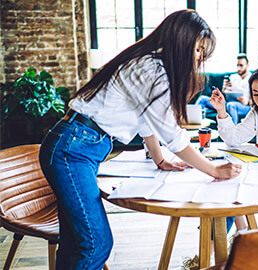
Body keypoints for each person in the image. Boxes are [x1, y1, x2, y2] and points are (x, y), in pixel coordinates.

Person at [38, 10, 242, 269]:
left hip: (77, 145)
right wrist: (213, 168)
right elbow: (171, 134)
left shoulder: (149, 64)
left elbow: (146, 120)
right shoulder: (151, 69)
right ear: (181, 41)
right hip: (73, 149)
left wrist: (159, 159)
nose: (199, 57)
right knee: (96, 243)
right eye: (198, 49)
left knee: (75, 242)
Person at [195, 54, 252, 124]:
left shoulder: (252, 79)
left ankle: (232, 133)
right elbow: (224, 95)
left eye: (241, 65)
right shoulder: (233, 77)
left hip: (244, 106)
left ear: (247, 65)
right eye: (237, 65)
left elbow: (256, 98)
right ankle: (195, 124)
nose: (238, 68)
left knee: (231, 105)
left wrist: (248, 102)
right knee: (202, 99)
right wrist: (224, 89)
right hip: (227, 103)